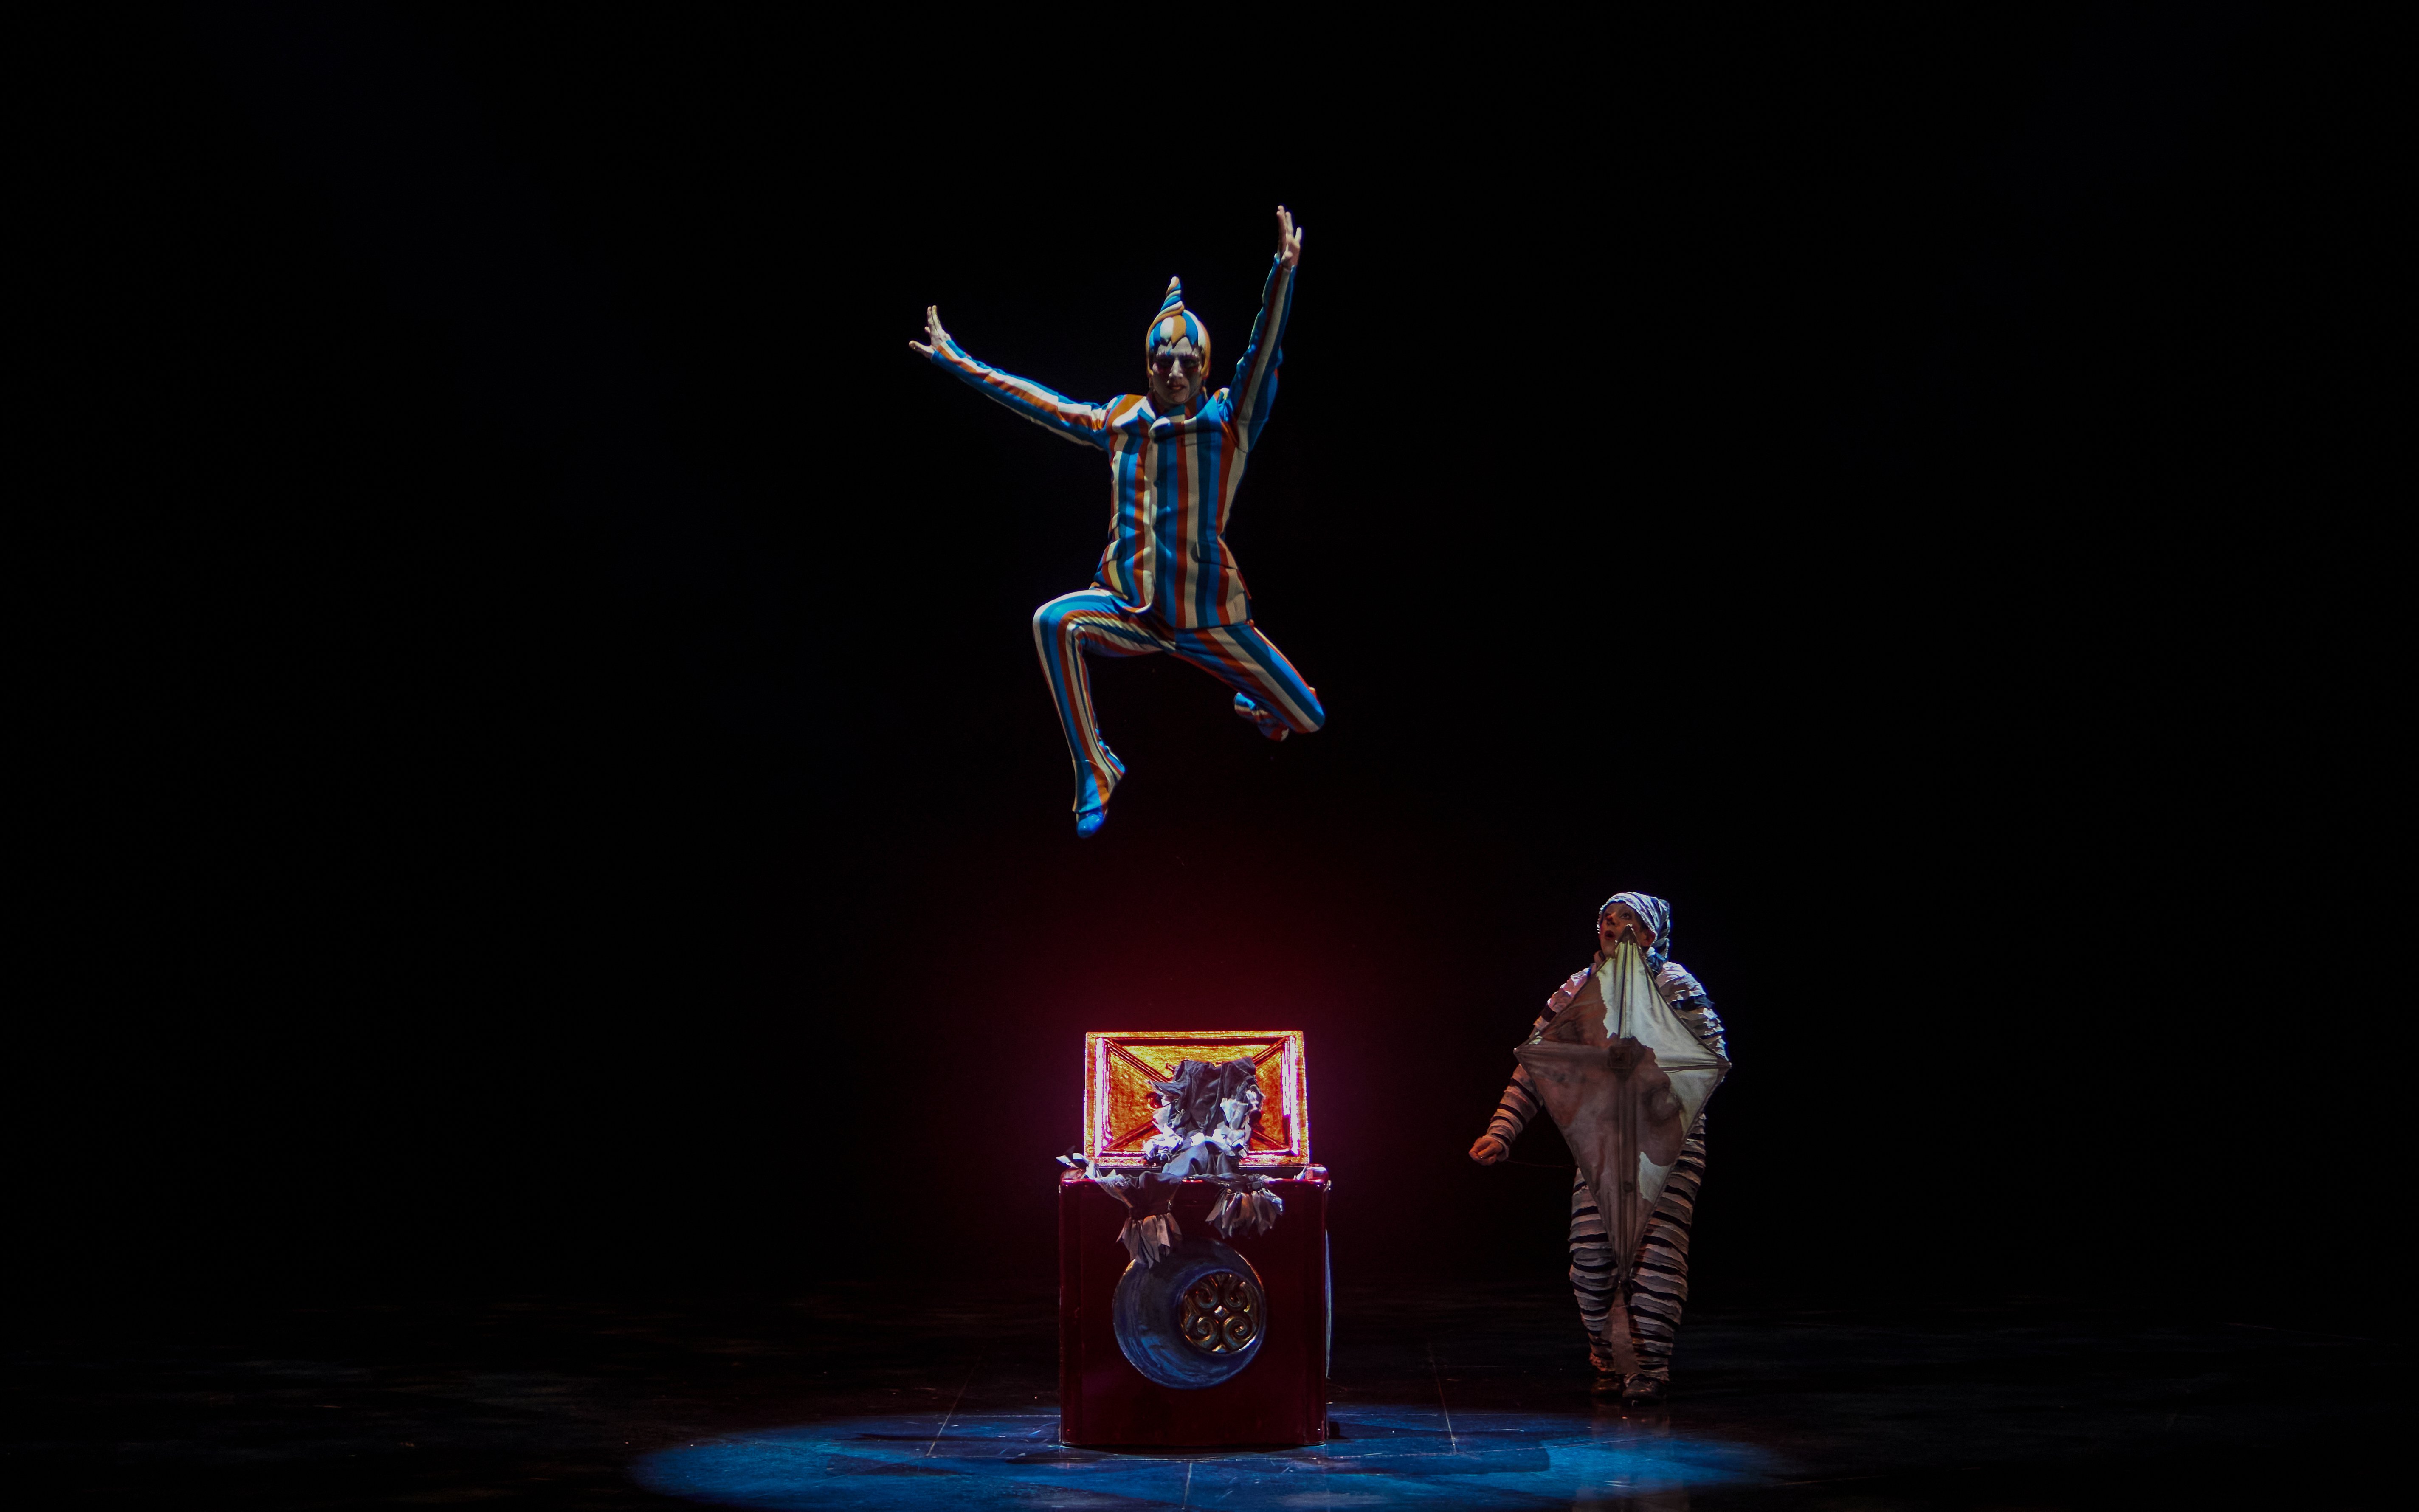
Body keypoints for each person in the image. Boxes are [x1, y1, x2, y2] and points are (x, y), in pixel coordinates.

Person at [909, 208, 1324, 837]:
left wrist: (1282, 275)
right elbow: (1040, 403)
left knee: (1307, 718)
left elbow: (1262, 353)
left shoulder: (1226, 423)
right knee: (1053, 621)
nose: (1176, 371)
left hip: (1207, 617)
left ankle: (1259, 704)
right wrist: (959, 363)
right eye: (1164, 360)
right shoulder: (1118, 422)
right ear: (1149, 364)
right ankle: (1094, 764)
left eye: (1188, 361)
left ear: (1203, 367)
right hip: (1128, 607)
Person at [1470, 892, 1729, 1404]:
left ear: (1651, 935)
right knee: (1591, 1262)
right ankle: (1610, 1357)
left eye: (1626, 921)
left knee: (1656, 1258)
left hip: (1667, 1145)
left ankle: (1649, 1369)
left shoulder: (1675, 986)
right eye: (1607, 921)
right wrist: (1502, 1130)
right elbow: (1538, 1064)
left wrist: (1653, 1084)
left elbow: (1712, 1060)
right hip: (1603, 1146)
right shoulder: (1577, 990)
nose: (1613, 929)